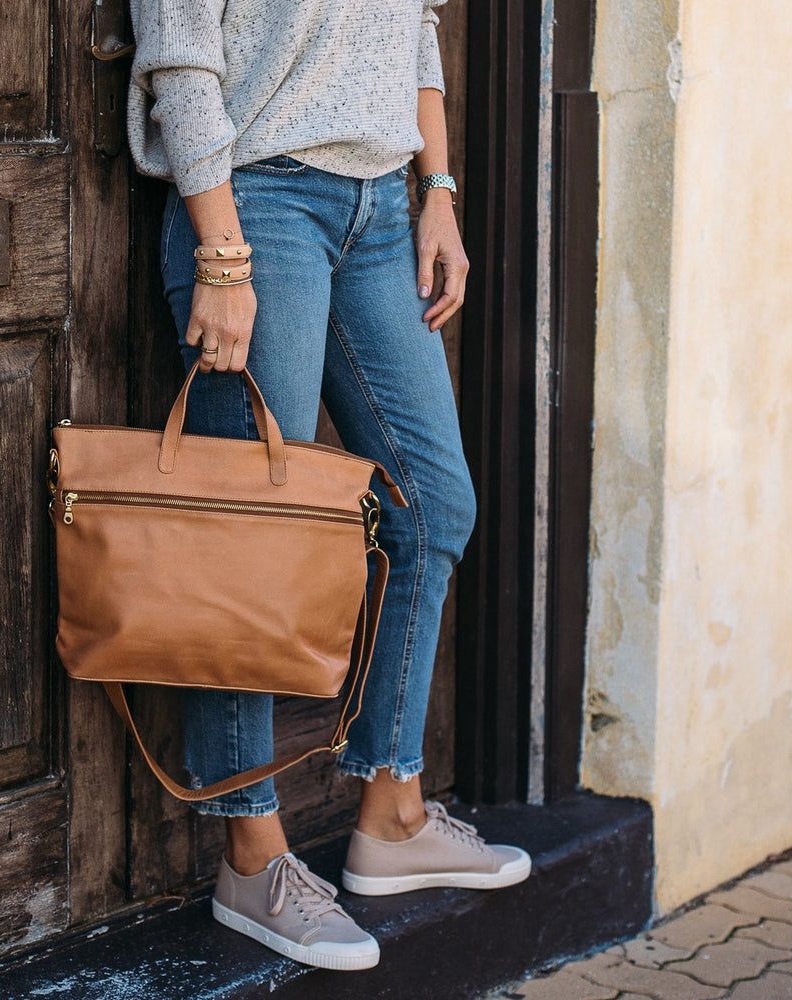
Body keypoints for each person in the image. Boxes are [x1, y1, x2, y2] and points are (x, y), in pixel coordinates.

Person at [128, 0, 530, 971]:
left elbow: (417, 27)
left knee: (432, 503)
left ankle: (390, 810)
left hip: (382, 208)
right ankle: (250, 852)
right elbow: (178, 54)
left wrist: (437, 186)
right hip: (259, 200)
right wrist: (220, 251)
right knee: (258, 537)